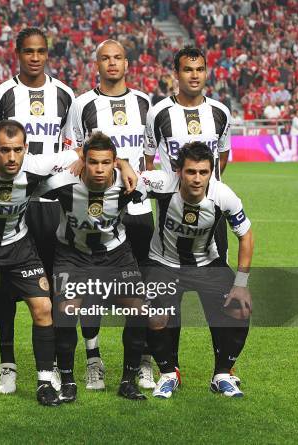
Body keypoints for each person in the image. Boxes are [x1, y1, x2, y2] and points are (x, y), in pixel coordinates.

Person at [0, 27, 76, 394]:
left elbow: (71, 148)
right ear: (17, 53)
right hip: (12, 203)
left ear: (47, 53)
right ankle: (8, 364)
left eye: (40, 51)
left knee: (52, 287)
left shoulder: (65, 95)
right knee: (6, 286)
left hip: (51, 202)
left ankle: (49, 364)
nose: (35, 57)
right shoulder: (0, 96)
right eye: (28, 51)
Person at [37, 132, 152, 402]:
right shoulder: (63, 183)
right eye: (93, 162)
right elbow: (27, 185)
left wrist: (126, 166)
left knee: (139, 311)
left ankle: (128, 381)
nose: (99, 169)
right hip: (72, 255)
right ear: (83, 161)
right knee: (65, 315)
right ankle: (67, 382)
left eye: (105, 162)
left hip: (116, 255)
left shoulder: (130, 184)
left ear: (114, 162)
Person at [69, 39, 155, 391]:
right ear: (97, 63)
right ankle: (93, 360)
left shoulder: (144, 103)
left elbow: (149, 156)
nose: (112, 63)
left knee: (143, 291)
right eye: (105, 58)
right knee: (90, 288)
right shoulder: (82, 104)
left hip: (138, 210)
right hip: (97, 212)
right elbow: (75, 152)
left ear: (127, 63)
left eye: (118, 57)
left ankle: (144, 361)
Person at [144, 46, 232, 382]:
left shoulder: (221, 113)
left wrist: (208, 191)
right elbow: (149, 160)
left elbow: (222, 159)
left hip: (212, 220)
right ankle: (171, 369)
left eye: (199, 69)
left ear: (206, 72)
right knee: (170, 296)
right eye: (187, 69)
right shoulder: (159, 114)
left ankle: (224, 369)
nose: (194, 75)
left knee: (216, 298)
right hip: (170, 218)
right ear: (176, 74)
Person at [140, 142, 253, 399]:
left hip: (206, 264)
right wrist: (123, 166)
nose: (197, 178)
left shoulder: (223, 195)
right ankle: (169, 374)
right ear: (178, 171)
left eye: (203, 172)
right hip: (163, 263)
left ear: (211, 172)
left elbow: (246, 235)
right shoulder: (161, 183)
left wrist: (241, 283)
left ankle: (222, 374)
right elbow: (128, 178)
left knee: (240, 307)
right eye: (191, 172)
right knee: (155, 315)